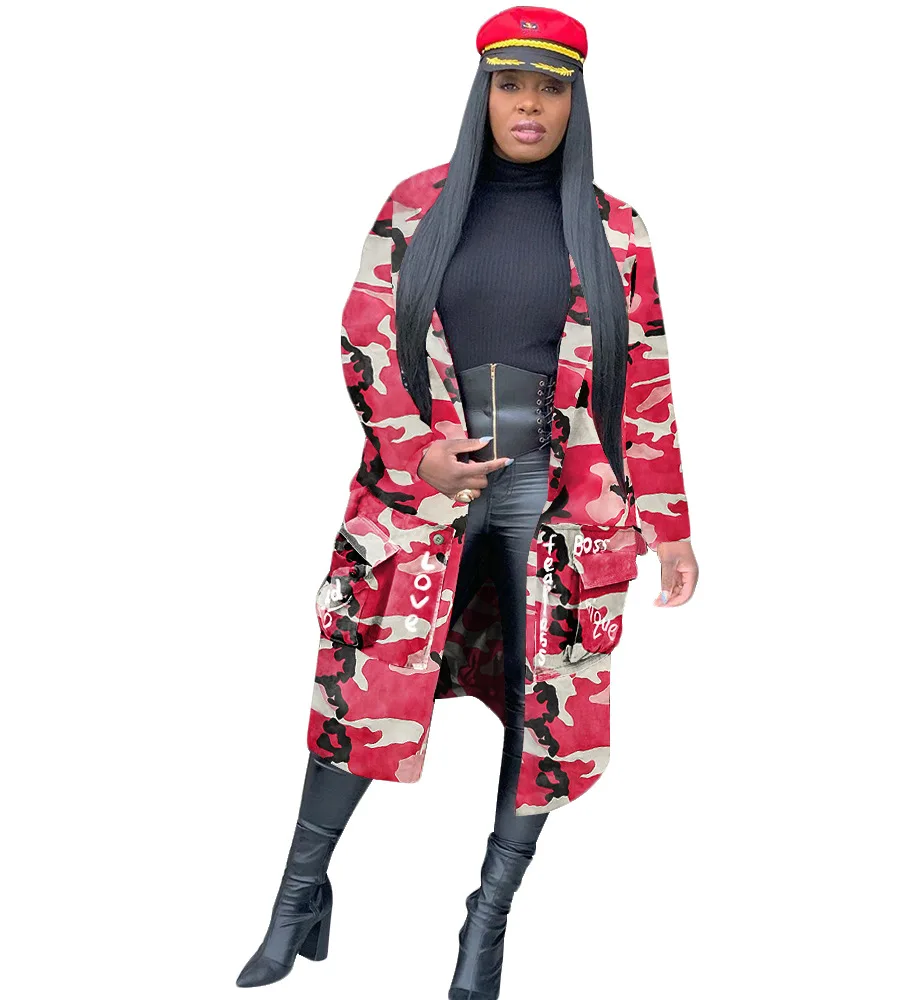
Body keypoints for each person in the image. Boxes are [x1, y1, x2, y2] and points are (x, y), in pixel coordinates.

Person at [236, 6, 699, 997]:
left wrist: (670, 529)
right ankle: (297, 896)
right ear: (482, 94)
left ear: (575, 102)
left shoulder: (617, 229)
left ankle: (485, 926)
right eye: (510, 85)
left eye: (550, 88)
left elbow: (648, 385)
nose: (529, 105)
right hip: (419, 503)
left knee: (546, 712)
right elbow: (363, 340)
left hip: (561, 510)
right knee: (366, 689)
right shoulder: (417, 205)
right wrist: (419, 455)